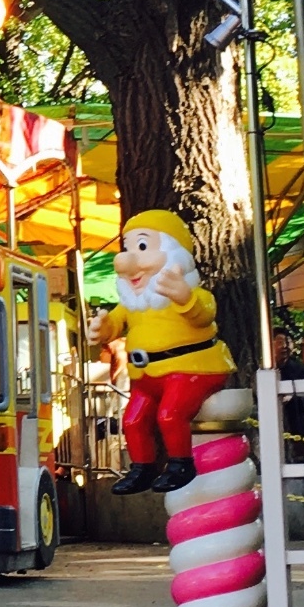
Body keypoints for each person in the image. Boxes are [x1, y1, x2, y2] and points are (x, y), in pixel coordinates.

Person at [88, 211, 237, 496]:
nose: (127, 260)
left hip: (191, 367)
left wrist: (186, 298)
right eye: (127, 247)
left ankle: (181, 463)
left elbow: (204, 315)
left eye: (142, 247)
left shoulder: (190, 293)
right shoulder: (133, 303)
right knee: (132, 419)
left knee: (170, 414)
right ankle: (142, 467)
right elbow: (115, 323)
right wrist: (102, 328)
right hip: (147, 375)